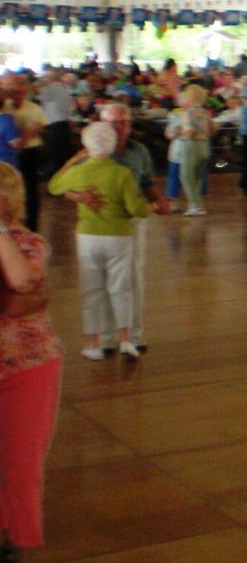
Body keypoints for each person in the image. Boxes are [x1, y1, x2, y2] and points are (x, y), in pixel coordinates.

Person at [0, 161, 63, 563]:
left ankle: (19, 544)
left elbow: (23, 282)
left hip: (27, 368)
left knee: (20, 465)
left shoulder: (28, 243)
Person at [47, 122, 150, 361]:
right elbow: (136, 209)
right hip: (120, 236)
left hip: (88, 237)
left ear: (85, 145)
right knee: (121, 289)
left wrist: (73, 161)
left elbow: (53, 186)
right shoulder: (121, 173)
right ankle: (126, 339)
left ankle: (95, 344)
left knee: (92, 291)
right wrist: (151, 207)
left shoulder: (78, 172)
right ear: (112, 145)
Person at [2, 80, 47, 232]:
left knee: (29, 190)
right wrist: (29, 133)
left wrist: (36, 131)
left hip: (29, 153)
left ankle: (31, 227)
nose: (18, 95)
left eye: (21, 92)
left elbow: (43, 128)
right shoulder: (5, 107)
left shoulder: (35, 108)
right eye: (14, 92)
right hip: (10, 154)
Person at [165, 84, 213, 216]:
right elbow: (212, 129)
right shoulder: (204, 112)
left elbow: (189, 131)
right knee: (197, 178)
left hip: (191, 147)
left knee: (186, 176)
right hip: (204, 146)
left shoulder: (187, 112)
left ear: (190, 97)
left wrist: (182, 132)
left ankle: (194, 206)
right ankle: (198, 205)